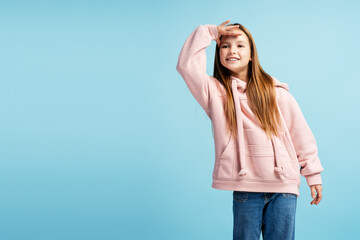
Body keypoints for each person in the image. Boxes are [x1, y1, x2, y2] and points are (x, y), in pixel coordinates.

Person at [176, 20, 324, 240]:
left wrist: (313, 175)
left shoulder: (277, 94)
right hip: (246, 187)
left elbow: (301, 135)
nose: (232, 50)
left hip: (283, 188)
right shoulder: (215, 93)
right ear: (218, 53)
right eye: (225, 46)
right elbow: (186, 65)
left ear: (252, 54)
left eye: (240, 45)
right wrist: (209, 32)